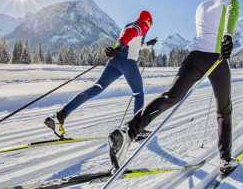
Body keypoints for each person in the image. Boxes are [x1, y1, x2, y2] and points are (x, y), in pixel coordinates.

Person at [108, 0, 240, 174]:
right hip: (217, 59)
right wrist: (228, 37)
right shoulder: (231, 1)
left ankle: (129, 130)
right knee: (224, 110)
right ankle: (225, 160)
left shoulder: (202, 5)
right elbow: (232, 15)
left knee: (170, 96)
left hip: (194, 57)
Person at [45, 10, 158, 140]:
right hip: (127, 61)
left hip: (115, 61)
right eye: (150, 24)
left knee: (97, 87)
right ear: (148, 20)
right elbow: (132, 32)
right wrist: (119, 46)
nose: (149, 27)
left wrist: (148, 44)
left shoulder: (129, 25)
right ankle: (137, 130)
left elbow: (133, 41)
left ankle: (60, 115)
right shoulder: (142, 24)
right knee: (139, 93)